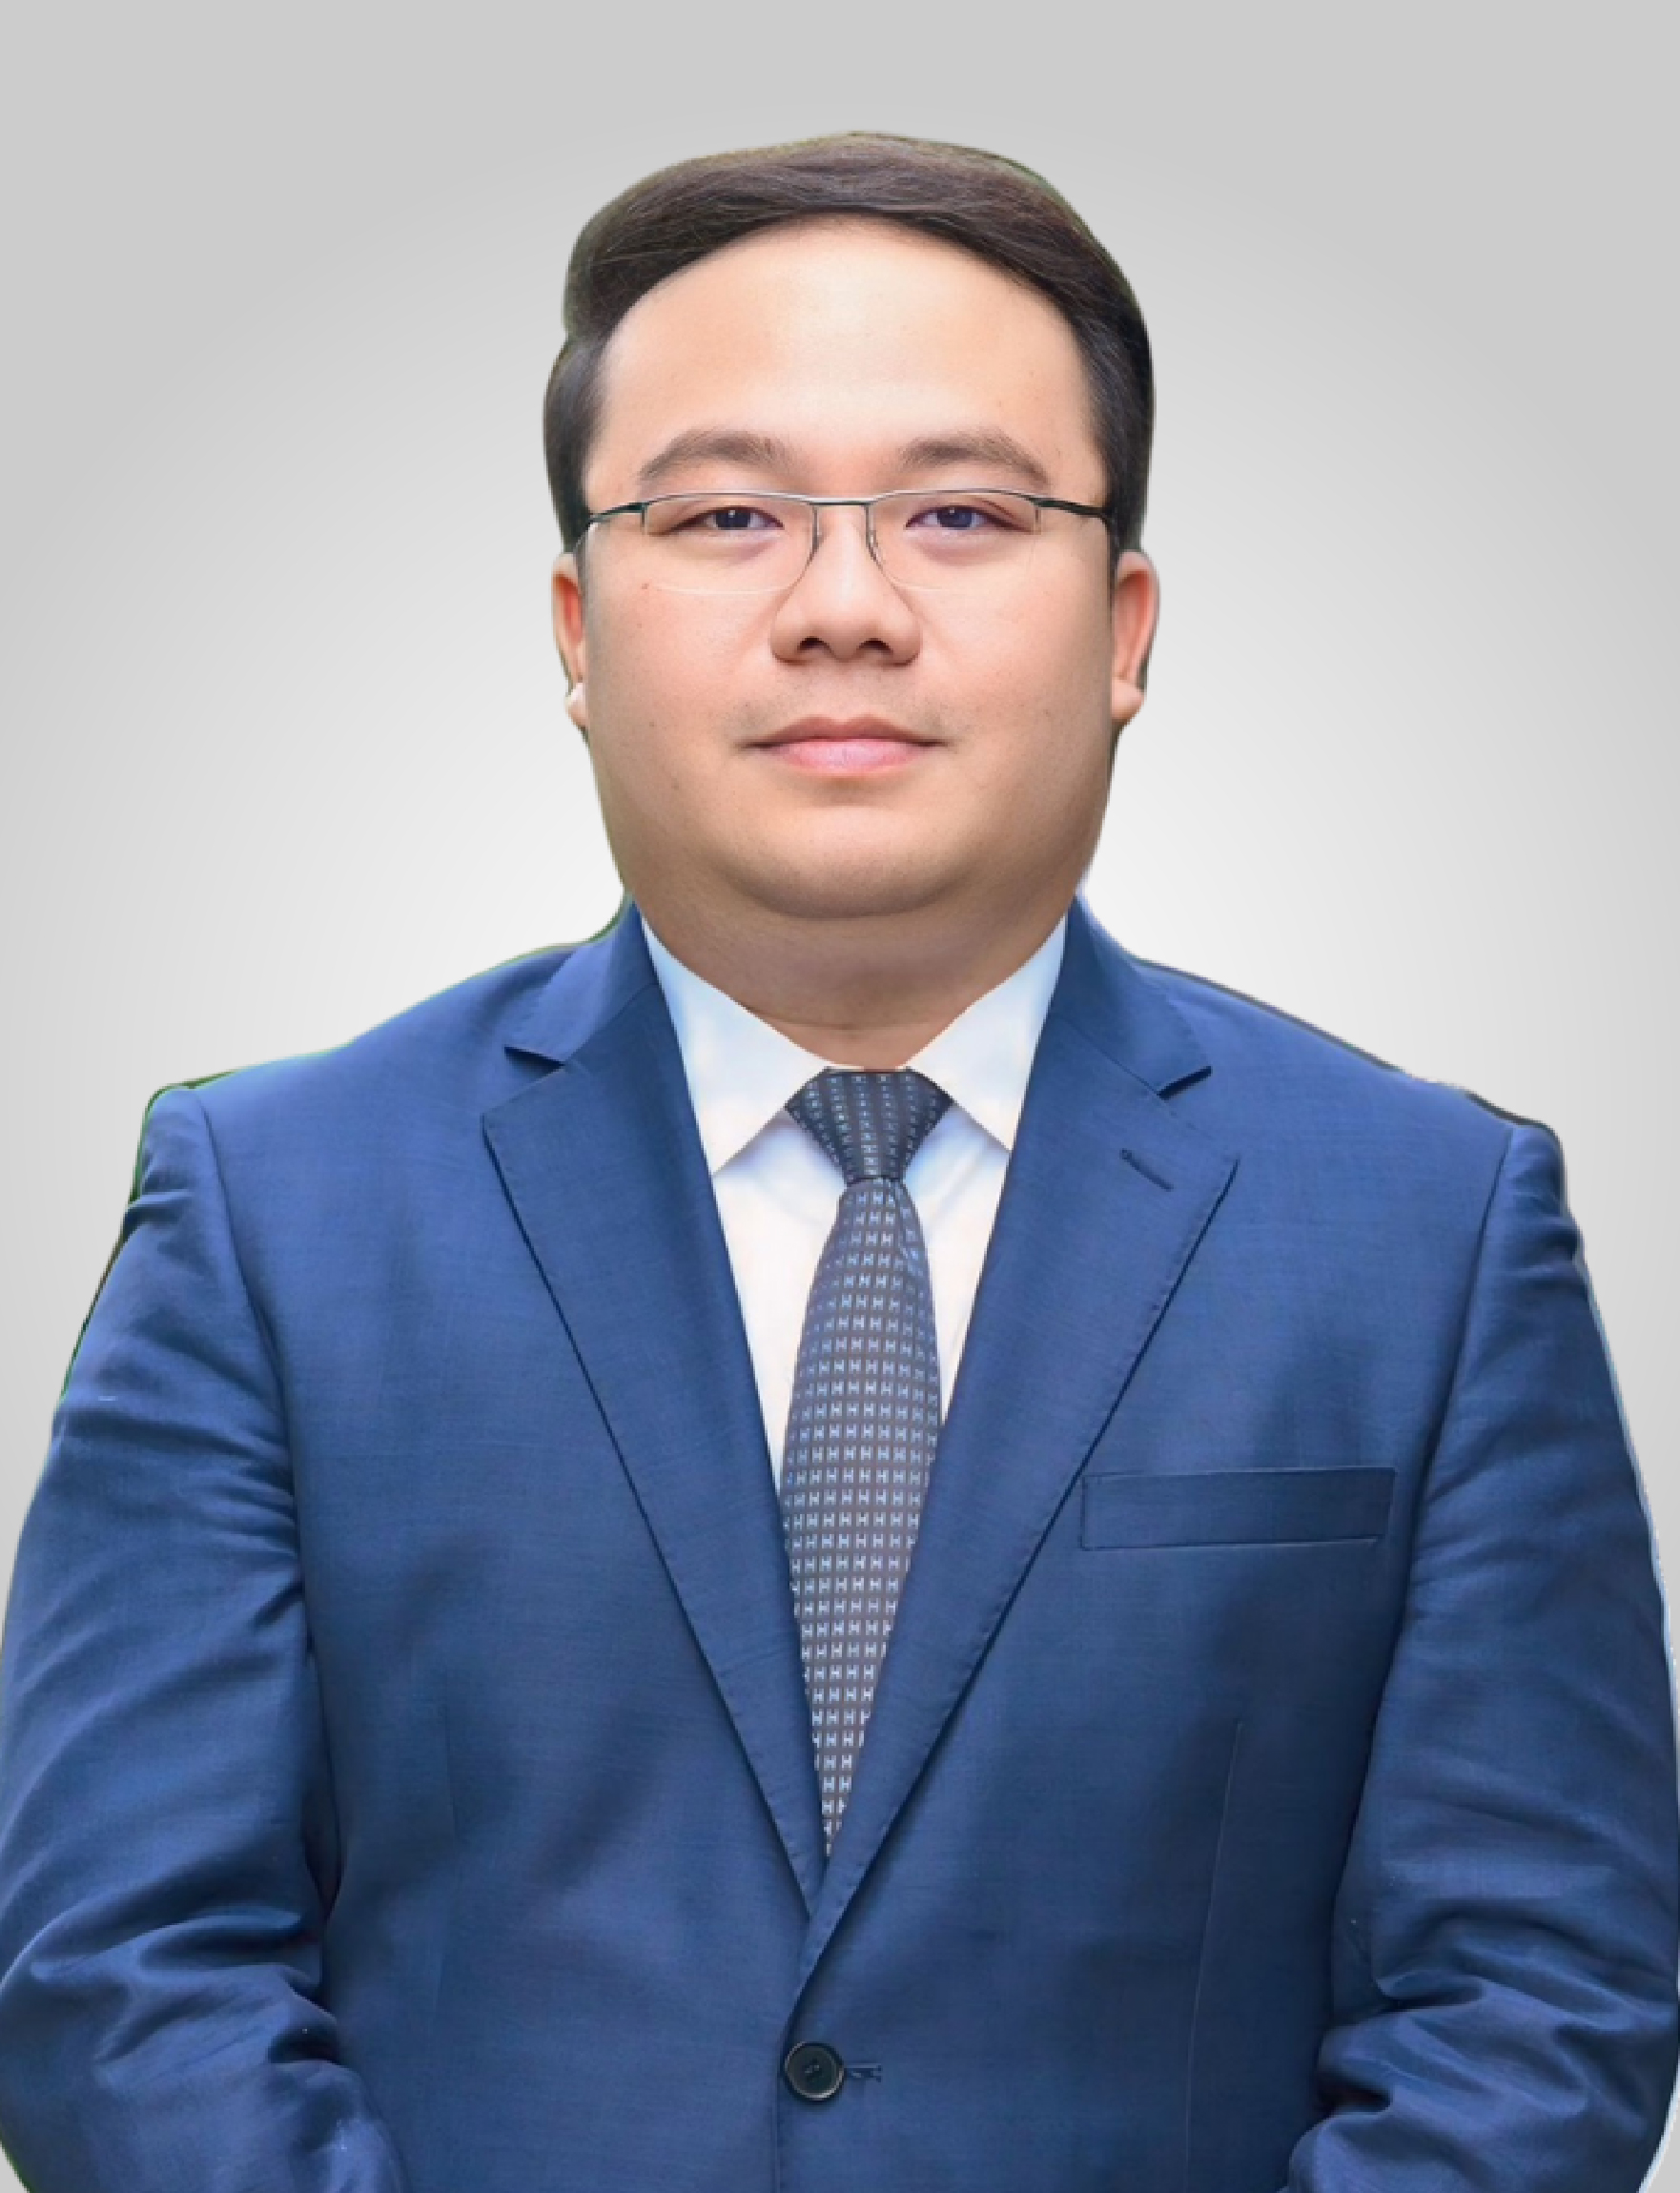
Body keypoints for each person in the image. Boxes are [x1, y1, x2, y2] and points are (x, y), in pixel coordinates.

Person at [0, 130, 1673, 2193]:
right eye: (726, 514)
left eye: (960, 513)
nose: (845, 608)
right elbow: (121, 1978)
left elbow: (1534, 2001)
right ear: (576, 625)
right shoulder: (273, 1214)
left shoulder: (1424, 1230)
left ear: (1124, 625)